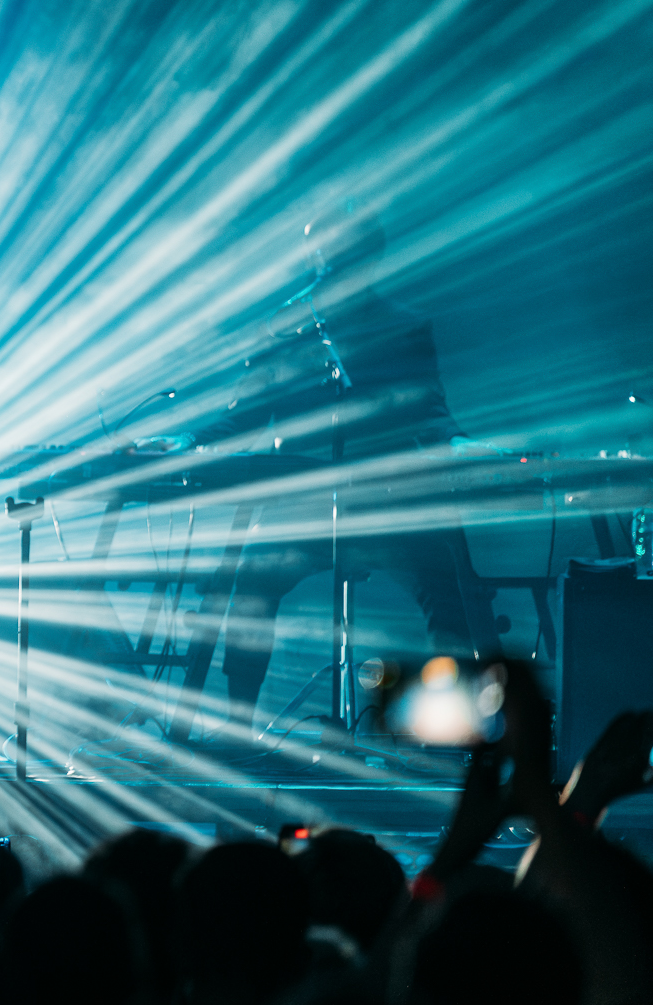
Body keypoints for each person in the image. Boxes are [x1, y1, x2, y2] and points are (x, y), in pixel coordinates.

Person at [142, 203, 500, 737]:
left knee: (451, 593)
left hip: (386, 504)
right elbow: (242, 419)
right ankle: (237, 726)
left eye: (337, 249)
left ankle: (468, 733)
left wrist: (465, 445)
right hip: (302, 506)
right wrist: (188, 440)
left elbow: (431, 413)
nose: (324, 259)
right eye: (317, 249)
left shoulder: (403, 328)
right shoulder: (285, 333)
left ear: (366, 257)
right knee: (245, 588)